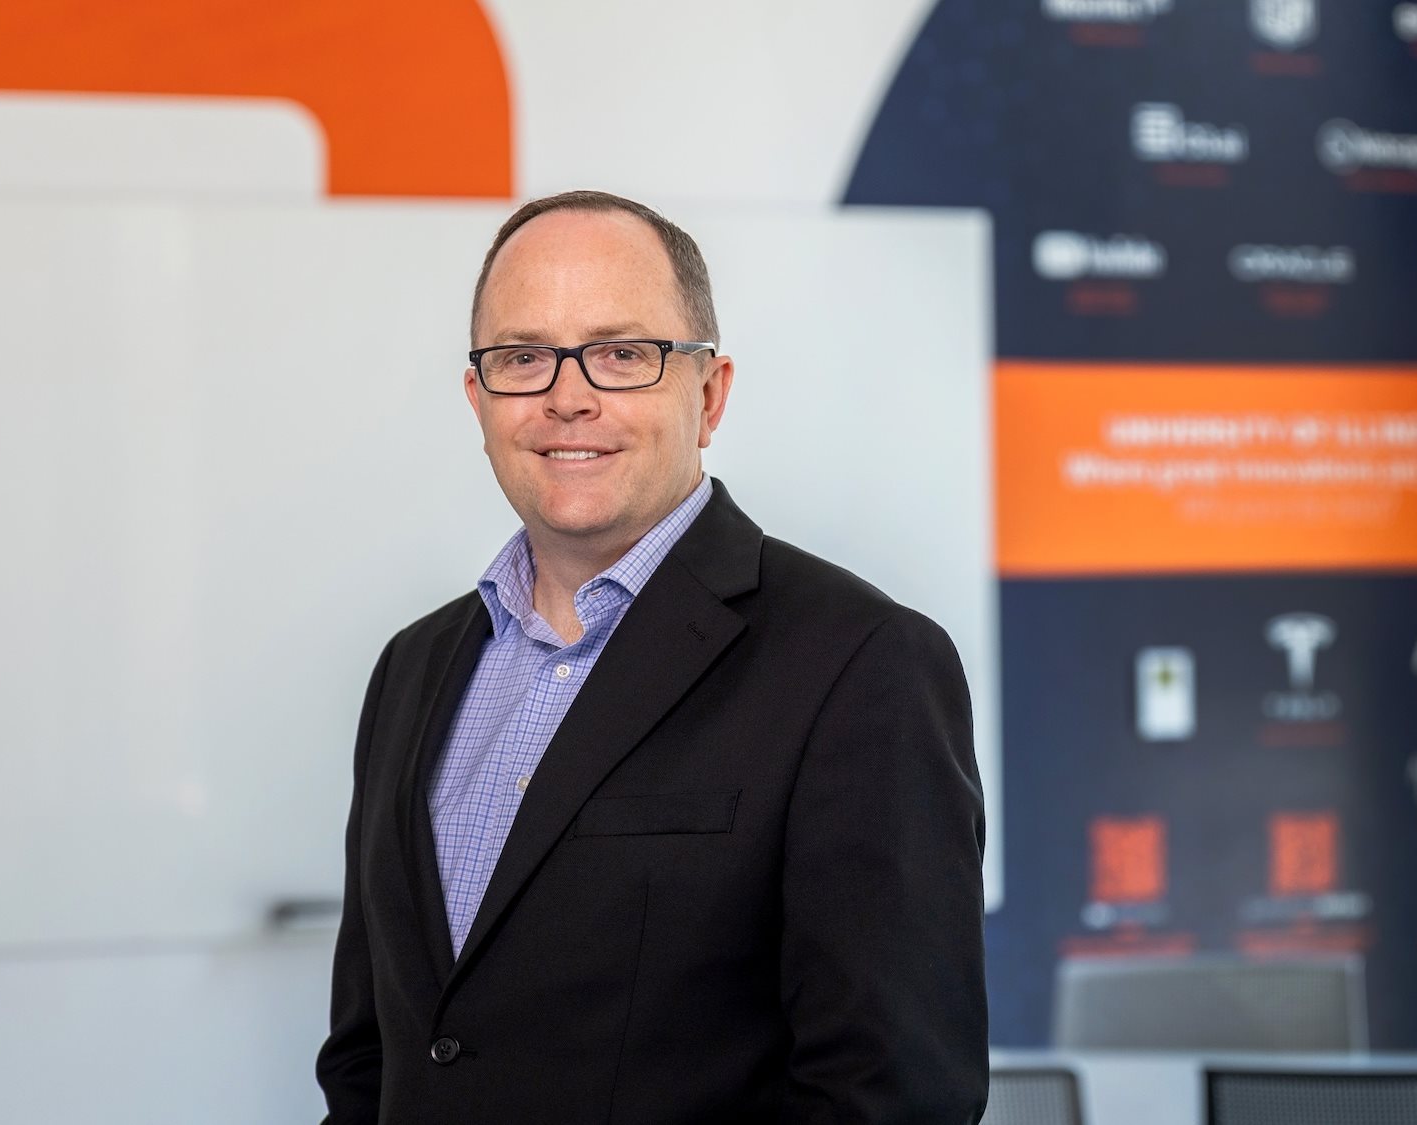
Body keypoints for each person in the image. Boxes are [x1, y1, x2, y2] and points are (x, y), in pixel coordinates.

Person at [316, 190, 989, 1124]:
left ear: (708, 394)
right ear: (478, 400)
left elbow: (892, 1098)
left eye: (622, 354)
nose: (567, 396)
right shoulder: (413, 669)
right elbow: (370, 1057)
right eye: (522, 357)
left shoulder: (860, 665)